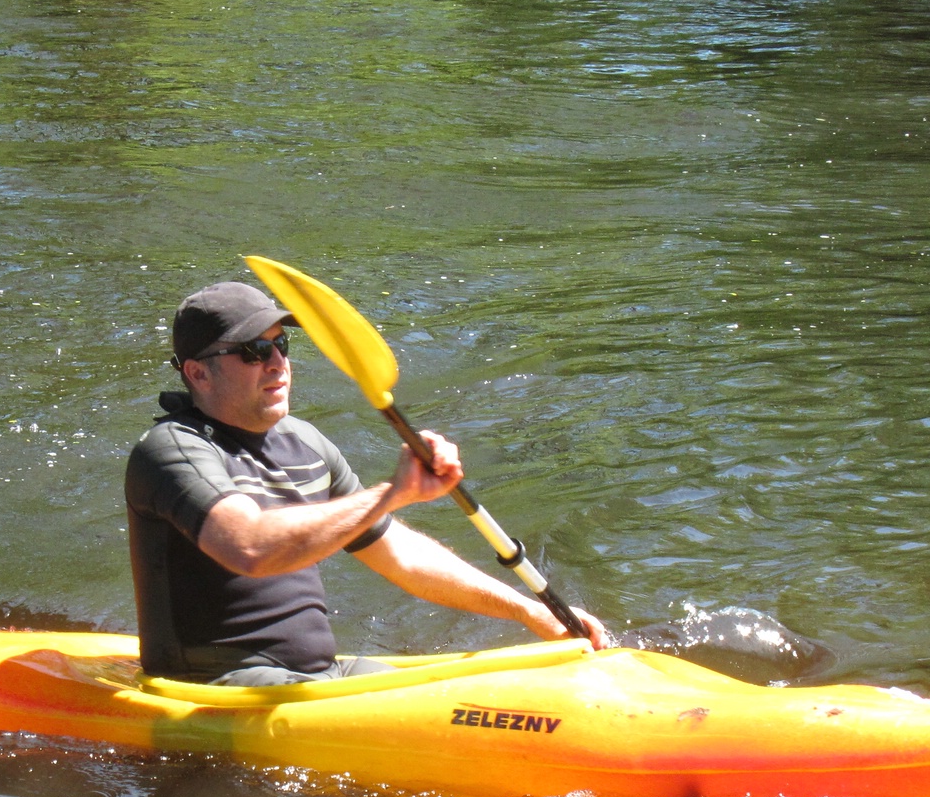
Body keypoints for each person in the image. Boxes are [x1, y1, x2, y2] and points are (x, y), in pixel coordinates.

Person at [125, 280, 609, 686]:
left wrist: (529, 612)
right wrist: (391, 493)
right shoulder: (172, 450)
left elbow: (402, 557)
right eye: (254, 351)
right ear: (198, 374)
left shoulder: (305, 443)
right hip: (218, 683)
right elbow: (249, 547)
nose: (277, 363)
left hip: (318, 674)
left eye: (281, 345)